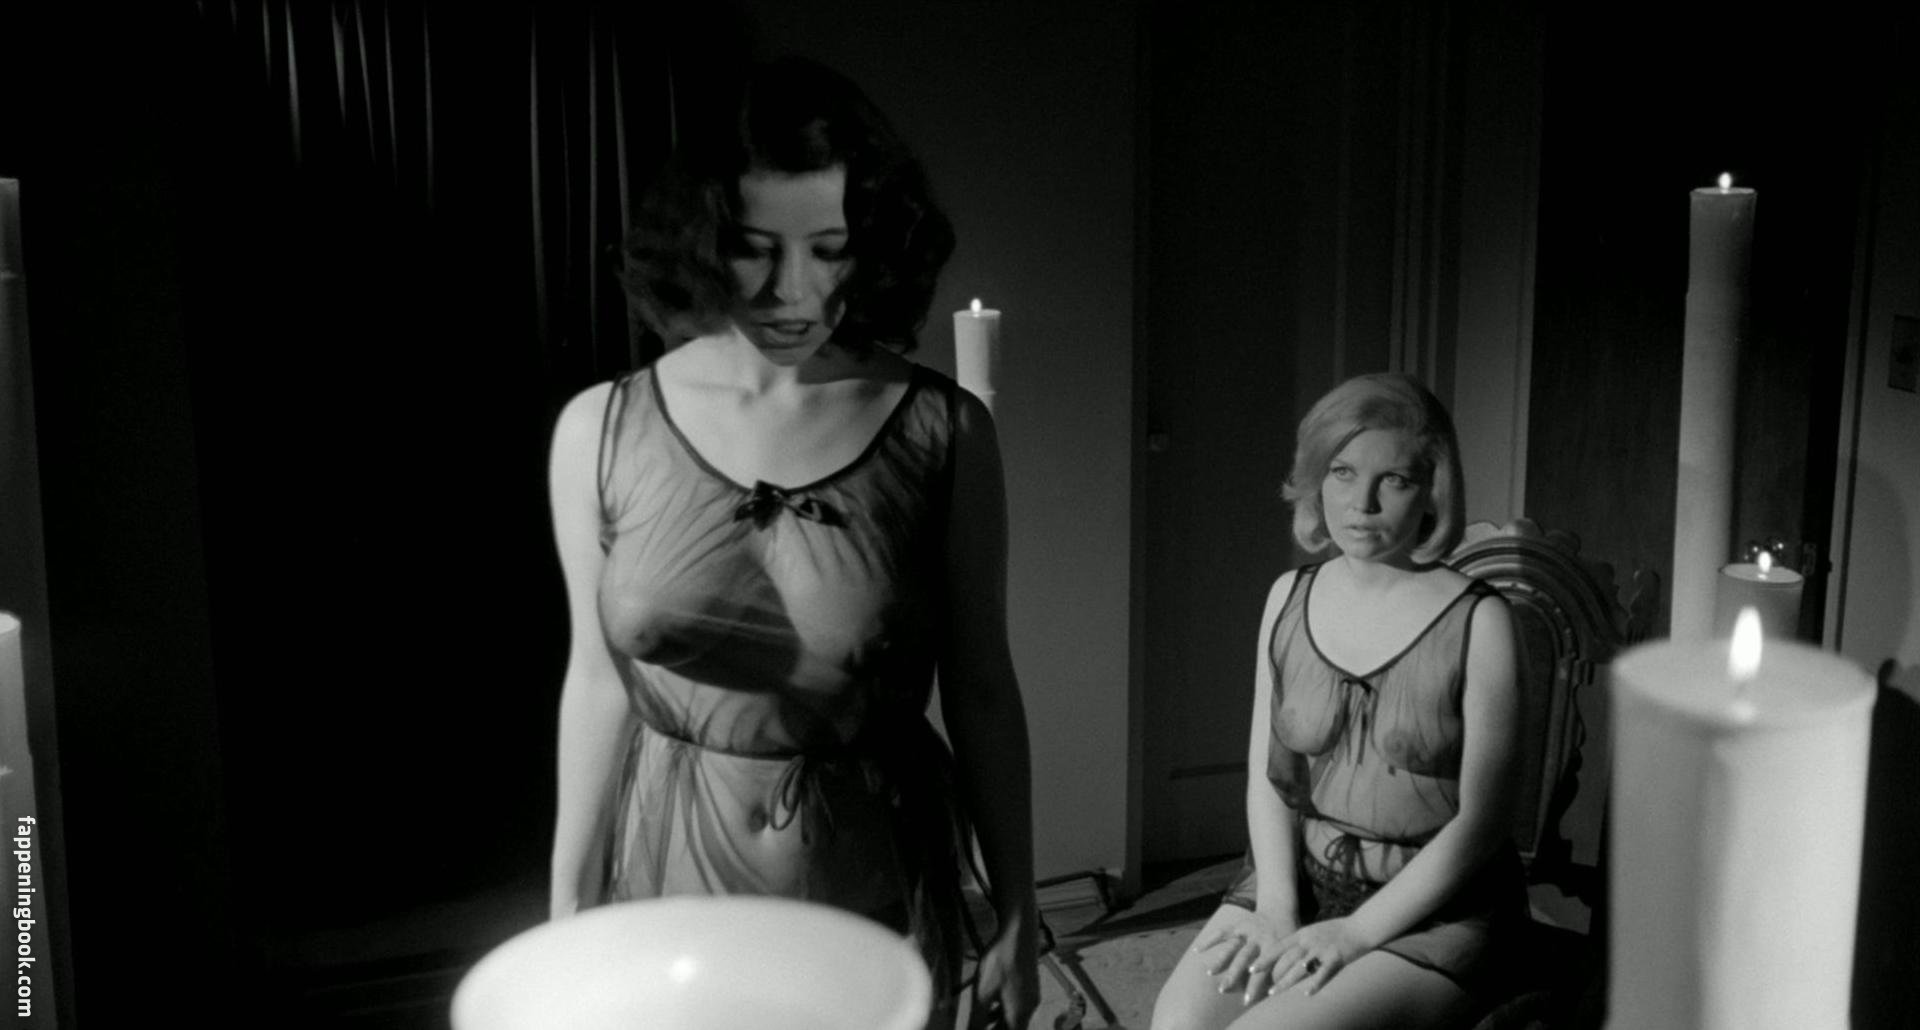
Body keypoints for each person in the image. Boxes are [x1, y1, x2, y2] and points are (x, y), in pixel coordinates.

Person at [545, 57, 1038, 1030]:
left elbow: (982, 687)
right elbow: (597, 684)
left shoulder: (944, 432)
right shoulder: (599, 428)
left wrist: (1018, 909)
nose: (791, 288)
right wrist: (566, 907)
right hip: (671, 903)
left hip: (873, 902)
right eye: (755, 247)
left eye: (828, 248)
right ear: (706, 240)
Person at [1150, 373, 1527, 1030]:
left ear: (1433, 490)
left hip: (1439, 913)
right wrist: (1275, 906)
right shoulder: (1287, 595)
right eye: (1343, 472)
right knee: (1178, 1022)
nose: (1362, 504)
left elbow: (1482, 826)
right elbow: (1269, 779)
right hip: (1301, 879)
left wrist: (1354, 934)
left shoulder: (1482, 621)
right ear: (1316, 479)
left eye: (1395, 480)